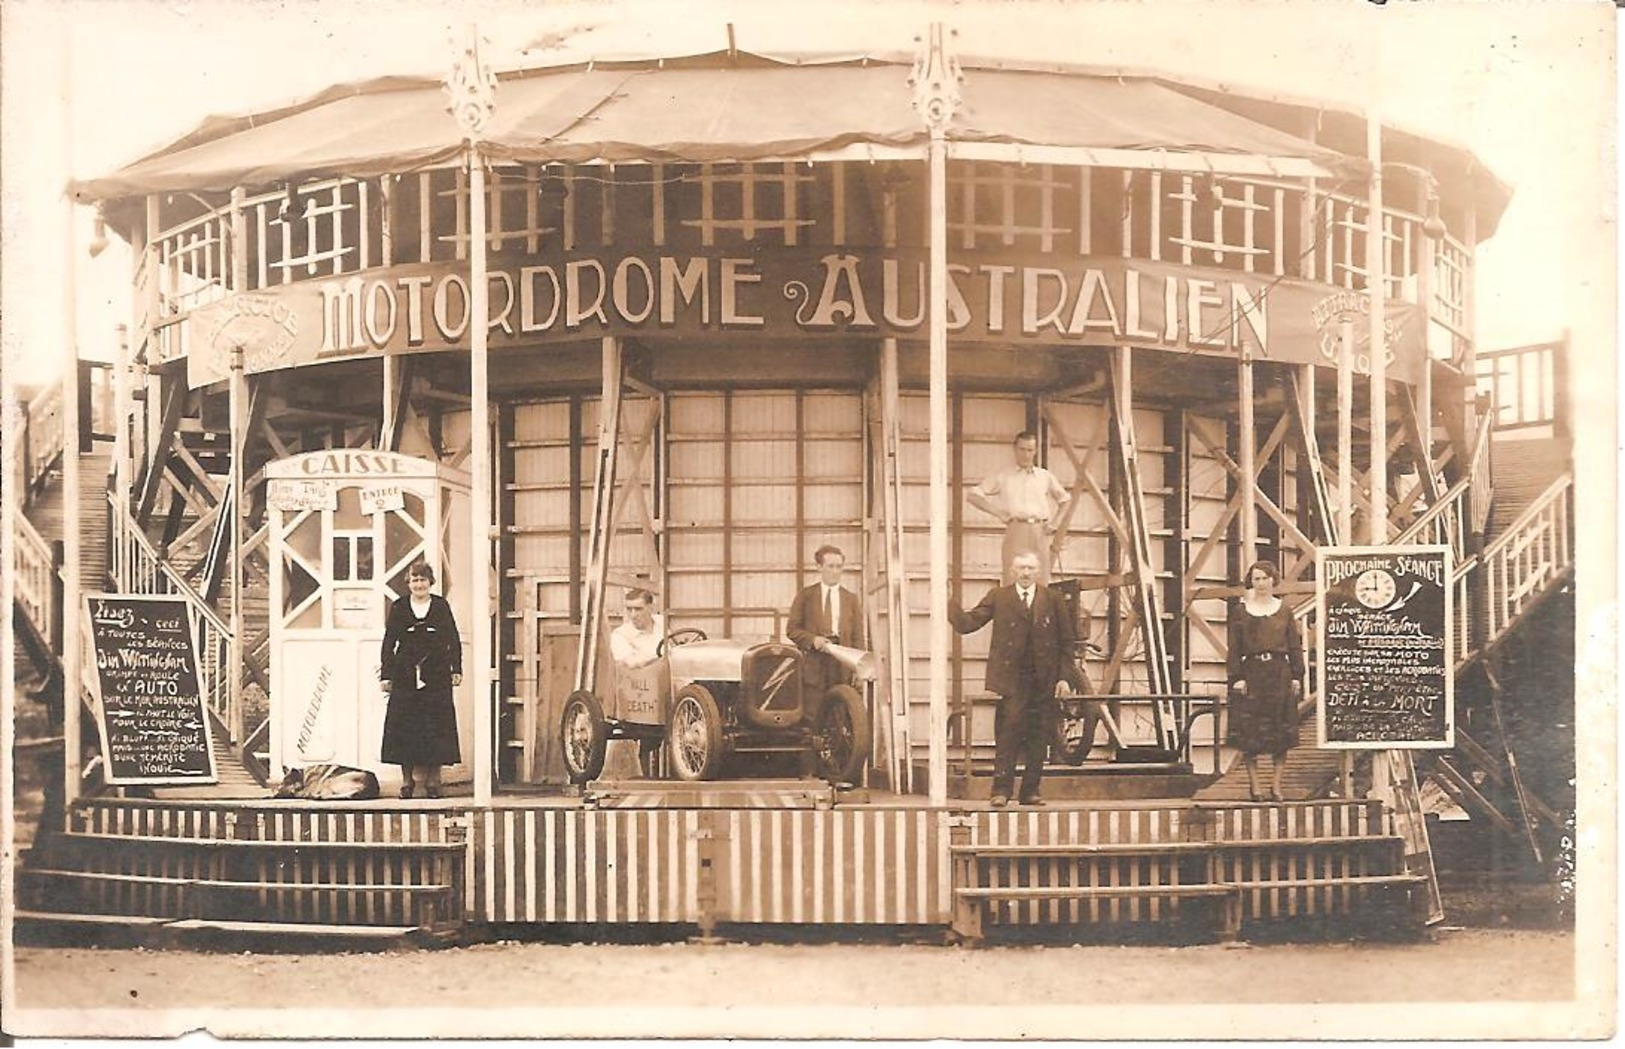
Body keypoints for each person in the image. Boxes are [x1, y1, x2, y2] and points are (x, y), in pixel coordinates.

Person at [949, 550, 1087, 807]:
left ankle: (1030, 792)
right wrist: (947, 601)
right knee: (1008, 733)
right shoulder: (999, 597)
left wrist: (1064, 679)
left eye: (1030, 568)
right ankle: (1001, 791)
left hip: (1044, 680)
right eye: (1021, 568)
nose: (1025, 573)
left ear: (1038, 572)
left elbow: (1067, 643)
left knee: (1039, 736)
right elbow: (968, 623)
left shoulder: (1053, 599)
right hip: (1012, 681)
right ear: (1012, 571)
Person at [379, 559, 463, 799]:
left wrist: (456, 668)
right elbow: (389, 642)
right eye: (414, 580)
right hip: (405, 674)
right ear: (409, 583)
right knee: (404, 726)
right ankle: (407, 783)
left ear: (430, 582)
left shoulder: (440, 606)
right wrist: (387, 674)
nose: (419, 584)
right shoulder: (399, 607)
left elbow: (453, 639)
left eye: (423, 579)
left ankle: (433, 782)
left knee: (436, 725)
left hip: (436, 674)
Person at [1226, 559, 1305, 803]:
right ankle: (1256, 787)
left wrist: (1296, 675)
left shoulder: (1284, 611)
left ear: (1273, 580)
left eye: (1264, 578)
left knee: (1280, 733)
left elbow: (1294, 645)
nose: (1260, 583)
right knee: (1251, 734)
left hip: (1279, 673)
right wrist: (1236, 677)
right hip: (1252, 674)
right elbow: (1234, 648)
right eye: (1256, 578)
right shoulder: (1240, 612)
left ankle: (1276, 786)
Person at [967, 430, 1071, 584]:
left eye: (1030, 450)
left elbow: (1065, 500)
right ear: (1015, 450)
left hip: (1039, 531)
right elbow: (973, 495)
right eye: (1022, 449)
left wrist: (1055, 523)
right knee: (1012, 577)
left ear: (1035, 451)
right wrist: (998, 513)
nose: (1026, 454)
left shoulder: (1044, 476)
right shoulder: (1004, 475)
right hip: (1016, 529)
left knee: (1041, 579)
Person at [786, 544, 864, 713]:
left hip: (842, 664)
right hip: (815, 664)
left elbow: (858, 636)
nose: (835, 571)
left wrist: (859, 668)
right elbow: (792, 629)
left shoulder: (851, 599)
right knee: (813, 713)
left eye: (839, 567)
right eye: (830, 566)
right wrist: (813, 640)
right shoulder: (805, 596)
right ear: (819, 567)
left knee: (841, 711)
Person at [609, 588, 666, 776]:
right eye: (629, 609)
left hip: (669, 687)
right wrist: (658, 655)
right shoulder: (620, 635)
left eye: (639, 609)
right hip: (641, 693)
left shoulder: (663, 625)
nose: (633, 615)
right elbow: (631, 663)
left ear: (651, 607)